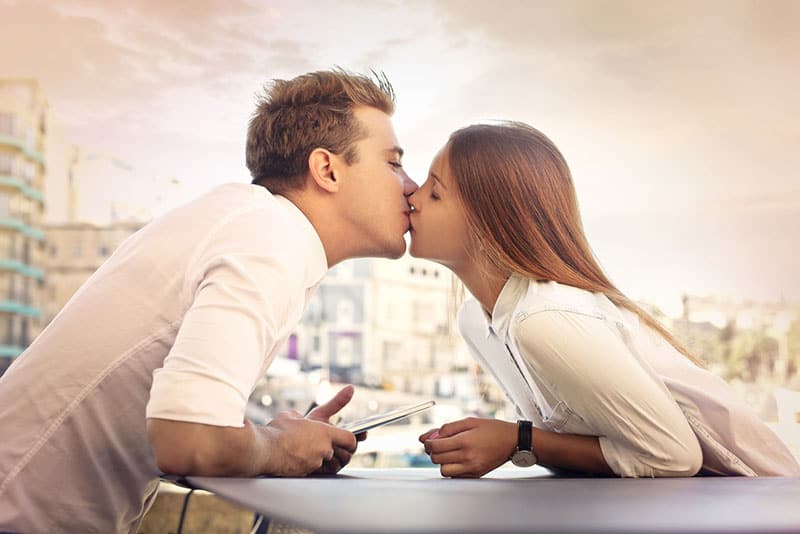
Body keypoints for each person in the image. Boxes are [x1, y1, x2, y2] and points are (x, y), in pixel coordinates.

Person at [0, 69, 418, 532]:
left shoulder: (248, 223)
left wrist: (280, 440)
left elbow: (177, 429)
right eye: (394, 163)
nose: (411, 187)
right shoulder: (270, 237)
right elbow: (185, 438)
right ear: (327, 169)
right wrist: (279, 446)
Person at [408, 121, 800, 478]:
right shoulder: (478, 322)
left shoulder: (542, 319)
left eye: (436, 192)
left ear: (489, 222)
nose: (413, 196)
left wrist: (519, 441)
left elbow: (674, 457)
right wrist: (512, 440)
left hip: (760, 503)